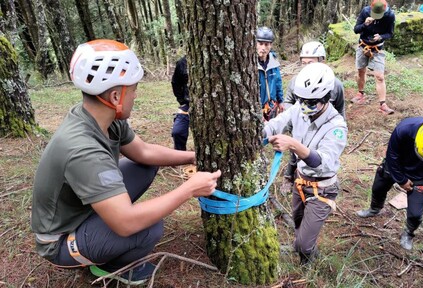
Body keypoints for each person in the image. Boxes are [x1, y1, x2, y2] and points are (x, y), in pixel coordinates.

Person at [31, 40, 221, 286]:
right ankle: (111, 266)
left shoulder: (101, 115)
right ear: (114, 95)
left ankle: (103, 227)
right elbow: (126, 222)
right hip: (59, 241)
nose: (136, 94)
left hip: (81, 209)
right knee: (146, 228)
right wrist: (189, 189)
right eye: (133, 89)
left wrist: (193, 156)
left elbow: (144, 152)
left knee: (144, 166)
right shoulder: (84, 151)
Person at [264, 62, 348, 264]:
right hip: (300, 181)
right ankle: (302, 246)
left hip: (322, 189)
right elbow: (277, 123)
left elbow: (321, 162)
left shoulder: (337, 127)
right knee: (298, 223)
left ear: (326, 99)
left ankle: (307, 259)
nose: (304, 107)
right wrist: (260, 135)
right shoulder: (299, 109)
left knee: (304, 243)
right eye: (301, 100)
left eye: (311, 102)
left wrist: (292, 143)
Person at [356, 117, 423, 250]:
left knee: (416, 213)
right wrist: (401, 180)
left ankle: (409, 233)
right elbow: (392, 155)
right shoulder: (404, 129)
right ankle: (374, 209)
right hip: (396, 164)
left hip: (422, 174)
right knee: (378, 187)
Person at [283, 41, 346, 181]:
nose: (306, 67)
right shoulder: (295, 81)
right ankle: (289, 176)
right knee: (295, 151)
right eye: (303, 63)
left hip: (322, 127)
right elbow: (288, 100)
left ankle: (318, 179)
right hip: (301, 124)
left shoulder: (335, 85)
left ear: (322, 61)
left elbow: (340, 108)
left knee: (316, 153)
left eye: (310, 63)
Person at [351, 0, 395, 115]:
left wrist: (380, 37)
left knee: (380, 76)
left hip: (377, 49)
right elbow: (356, 30)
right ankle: (360, 94)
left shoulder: (390, 16)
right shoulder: (365, 12)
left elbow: (390, 33)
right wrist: (365, 24)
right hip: (363, 46)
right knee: (361, 71)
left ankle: (383, 105)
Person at [257, 26, 284, 121]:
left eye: (266, 44)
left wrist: (281, 101)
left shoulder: (274, 62)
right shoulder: (251, 65)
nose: (263, 48)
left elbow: (278, 82)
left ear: (270, 45)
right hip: (258, 109)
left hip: (272, 106)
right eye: (260, 44)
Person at [171, 56, 190, 151]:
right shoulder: (183, 62)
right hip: (187, 105)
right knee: (177, 132)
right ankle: (180, 156)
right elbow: (175, 83)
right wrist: (182, 101)